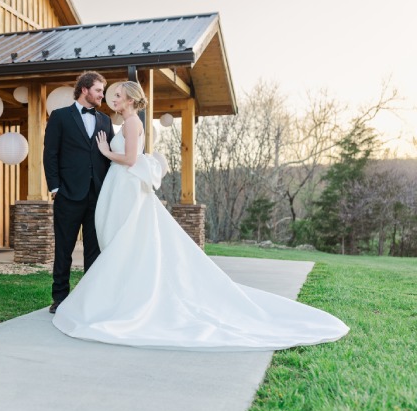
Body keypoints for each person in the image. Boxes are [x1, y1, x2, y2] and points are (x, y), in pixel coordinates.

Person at [52, 81, 349, 351]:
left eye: (116, 95)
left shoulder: (129, 124)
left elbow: (130, 159)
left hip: (126, 186)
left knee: (127, 243)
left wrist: (106, 152)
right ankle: (112, 297)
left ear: (129, 99)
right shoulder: (122, 122)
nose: (110, 99)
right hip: (115, 187)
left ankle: (126, 301)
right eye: (108, 94)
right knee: (120, 242)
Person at [43, 71, 115, 314]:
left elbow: (109, 158)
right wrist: (55, 187)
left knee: (94, 250)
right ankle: (60, 298)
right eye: (98, 90)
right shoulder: (60, 116)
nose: (101, 96)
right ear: (84, 89)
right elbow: (50, 153)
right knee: (64, 248)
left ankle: (90, 297)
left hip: (97, 194)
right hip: (68, 195)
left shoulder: (105, 121)